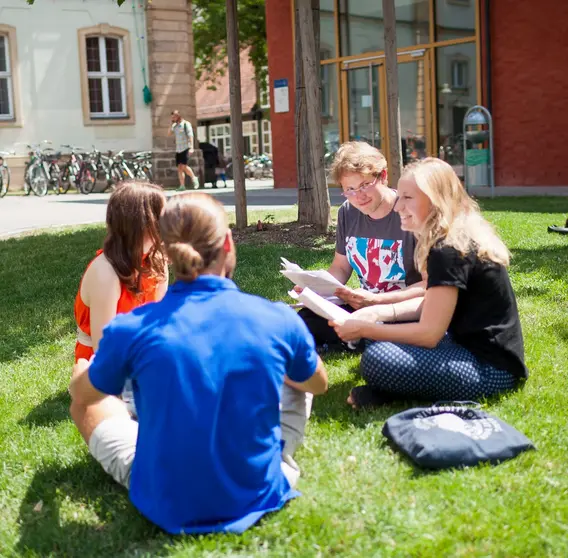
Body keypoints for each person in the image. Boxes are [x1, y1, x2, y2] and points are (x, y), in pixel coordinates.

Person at [69, 192, 328, 535]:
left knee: (84, 403)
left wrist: (80, 373)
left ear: (168, 249)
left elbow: (84, 397)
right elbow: (318, 384)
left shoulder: (130, 329)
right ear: (228, 244)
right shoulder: (277, 318)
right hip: (258, 489)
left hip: (163, 496)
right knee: (298, 371)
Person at [331, 158, 528, 408]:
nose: (398, 206)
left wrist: (362, 329)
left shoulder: (448, 249)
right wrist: (378, 312)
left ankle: (389, 392)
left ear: (435, 200)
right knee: (378, 341)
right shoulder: (449, 237)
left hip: (492, 370)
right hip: (462, 344)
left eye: (407, 198)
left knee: (377, 359)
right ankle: (391, 391)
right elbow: (431, 306)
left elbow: (428, 334)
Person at [298, 141, 425, 351]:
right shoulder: (348, 212)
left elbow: (429, 286)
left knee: (384, 336)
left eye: (365, 185)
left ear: (383, 176)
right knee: (304, 319)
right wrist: (316, 288)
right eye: (350, 189)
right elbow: (340, 267)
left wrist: (377, 301)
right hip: (362, 305)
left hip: (401, 308)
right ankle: (355, 338)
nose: (359, 196)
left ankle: (353, 340)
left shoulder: (409, 213)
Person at [74, 181, 168, 363]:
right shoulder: (105, 273)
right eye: (163, 218)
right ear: (143, 223)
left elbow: (159, 321)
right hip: (102, 367)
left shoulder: (156, 261)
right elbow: (104, 350)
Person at [168, 110, 200, 191]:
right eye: (172, 117)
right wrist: (171, 124)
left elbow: (190, 136)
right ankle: (182, 186)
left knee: (184, 166)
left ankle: (194, 178)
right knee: (179, 168)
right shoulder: (175, 126)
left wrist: (192, 147)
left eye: (174, 116)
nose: (173, 118)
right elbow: (169, 134)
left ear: (179, 116)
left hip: (185, 148)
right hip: (178, 149)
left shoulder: (186, 124)